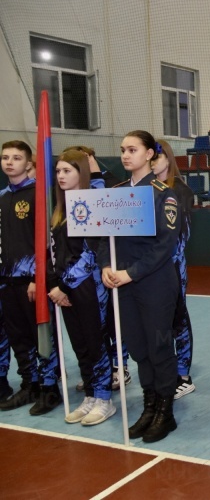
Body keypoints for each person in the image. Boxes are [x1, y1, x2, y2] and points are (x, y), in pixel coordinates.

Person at [97, 130, 181, 443]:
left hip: (154, 283)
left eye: (132, 150)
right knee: (138, 348)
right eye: (123, 150)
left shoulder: (163, 194)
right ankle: (149, 407)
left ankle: (166, 411)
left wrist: (130, 273)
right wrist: (106, 266)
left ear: (149, 154)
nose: (125, 155)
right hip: (123, 284)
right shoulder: (116, 193)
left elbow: (164, 246)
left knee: (159, 347)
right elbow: (103, 236)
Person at [48, 150, 116, 426]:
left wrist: (64, 285)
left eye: (67, 171)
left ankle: (104, 398)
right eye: (58, 171)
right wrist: (55, 285)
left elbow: (89, 254)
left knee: (95, 342)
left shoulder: (91, 204)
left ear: (82, 173)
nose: (61, 176)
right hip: (65, 290)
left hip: (88, 287)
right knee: (80, 344)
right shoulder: (60, 208)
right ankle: (90, 394)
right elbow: (55, 253)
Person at [0, 140, 61, 416]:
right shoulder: (2, 197)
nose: (9, 162)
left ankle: (50, 388)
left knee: (42, 336)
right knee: (18, 338)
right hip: (6, 281)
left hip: (33, 281)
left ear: (28, 163)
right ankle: (29, 384)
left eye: (16, 158)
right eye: (5, 157)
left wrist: (39, 278)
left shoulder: (40, 196)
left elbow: (47, 243)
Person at [63, 145, 129, 390]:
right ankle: (99, 372)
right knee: (92, 330)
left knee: (112, 323)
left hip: (106, 270)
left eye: (85, 158)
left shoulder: (112, 185)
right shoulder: (67, 197)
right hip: (84, 277)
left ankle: (120, 367)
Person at [152, 140, 195, 399]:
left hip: (173, 266)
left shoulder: (181, 190)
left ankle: (184, 375)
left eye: (157, 157)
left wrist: (160, 260)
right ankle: (165, 369)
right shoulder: (145, 190)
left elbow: (182, 235)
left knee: (179, 318)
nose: (152, 163)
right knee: (157, 321)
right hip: (149, 270)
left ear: (167, 159)